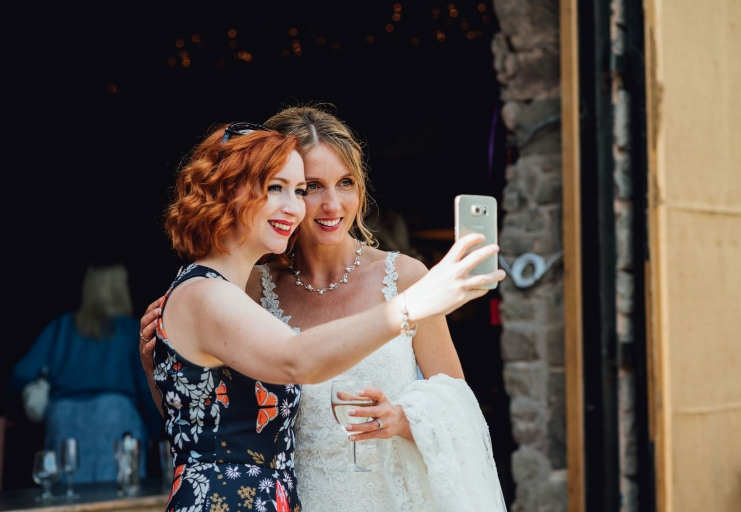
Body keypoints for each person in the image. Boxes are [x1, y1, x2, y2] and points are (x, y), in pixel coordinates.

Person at [140, 108, 507, 512]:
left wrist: (404, 419)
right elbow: (223, 408)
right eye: (307, 186)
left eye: (344, 183)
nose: (329, 204)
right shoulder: (237, 289)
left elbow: (459, 403)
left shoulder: (403, 276)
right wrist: (165, 362)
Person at [8, 264, 159, 483]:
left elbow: (22, 372)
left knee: (68, 494)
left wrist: (10, 410)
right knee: (120, 498)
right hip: (116, 418)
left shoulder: (61, 326)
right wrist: (155, 429)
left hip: (64, 419)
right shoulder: (130, 330)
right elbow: (148, 385)